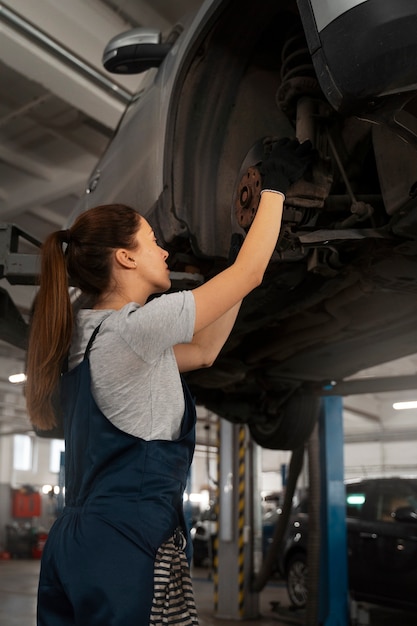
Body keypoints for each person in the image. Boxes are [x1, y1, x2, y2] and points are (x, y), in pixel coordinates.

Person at [25, 137, 314, 625]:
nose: (163, 249)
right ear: (126, 258)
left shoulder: (90, 336)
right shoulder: (134, 330)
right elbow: (248, 274)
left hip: (77, 545)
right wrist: (275, 192)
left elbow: (203, 351)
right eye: (151, 240)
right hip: (125, 545)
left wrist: (246, 248)